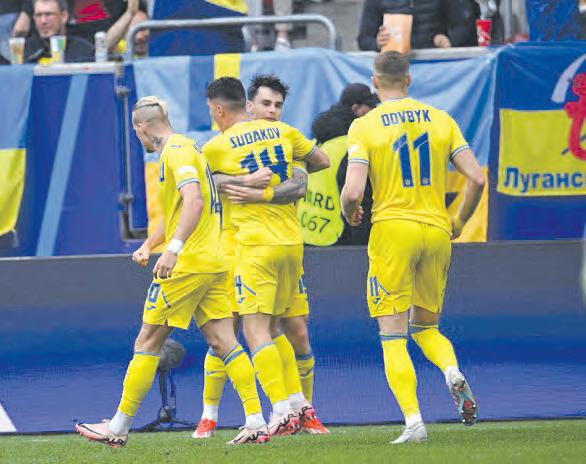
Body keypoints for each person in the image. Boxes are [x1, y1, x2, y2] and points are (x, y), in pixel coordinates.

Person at [75, 96, 271, 447]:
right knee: (223, 341)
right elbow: (179, 212)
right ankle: (256, 421)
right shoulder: (189, 148)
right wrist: (150, 244)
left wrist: (173, 250)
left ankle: (118, 427)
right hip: (214, 261)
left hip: (188, 264)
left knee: (147, 341)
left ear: (141, 127)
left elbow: (194, 201)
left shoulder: (176, 152)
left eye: (136, 132)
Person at [340, 51, 485, 444]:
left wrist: (350, 212)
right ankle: (451, 370)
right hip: (436, 230)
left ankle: (414, 422)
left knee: (393, 335)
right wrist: (459, 222)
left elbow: (352, 191)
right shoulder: (441, 119)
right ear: (409, 80)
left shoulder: (365, 125)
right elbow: (476, 178)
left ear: (375, 81)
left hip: (393, 232)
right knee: (426, 327)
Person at [193, 75, 329, 439]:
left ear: (218, 109)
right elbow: (321, 160)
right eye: (266, 104)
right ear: (248, 105)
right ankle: (220, 414)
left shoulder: (218, 146)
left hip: (250, 247)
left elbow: (196, 184)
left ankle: (282, 409)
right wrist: (285, 170)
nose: (272, 111)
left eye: (277, 105)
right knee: (264, 328)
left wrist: (247, 184)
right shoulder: (286, 135)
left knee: (246, 331)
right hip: (287, 245)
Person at [299, 83, 379, 246]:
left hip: (306, 232)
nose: (374, 112)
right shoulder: (352, 146)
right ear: (357, 109)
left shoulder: (318, 139)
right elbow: (357, 199)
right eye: (370, 107)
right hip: (339, 239)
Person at [357, 0, 478, 51]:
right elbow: (364, 39)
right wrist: (377, 43)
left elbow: (466, 25)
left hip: (438, 68)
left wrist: (451, 40)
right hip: (395, 73)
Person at [24, 0, 94, 63]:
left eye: (48, 14)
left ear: (64, 16)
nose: (43, 21)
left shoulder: (84, 51)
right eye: (38, 15)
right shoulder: (24, 50)